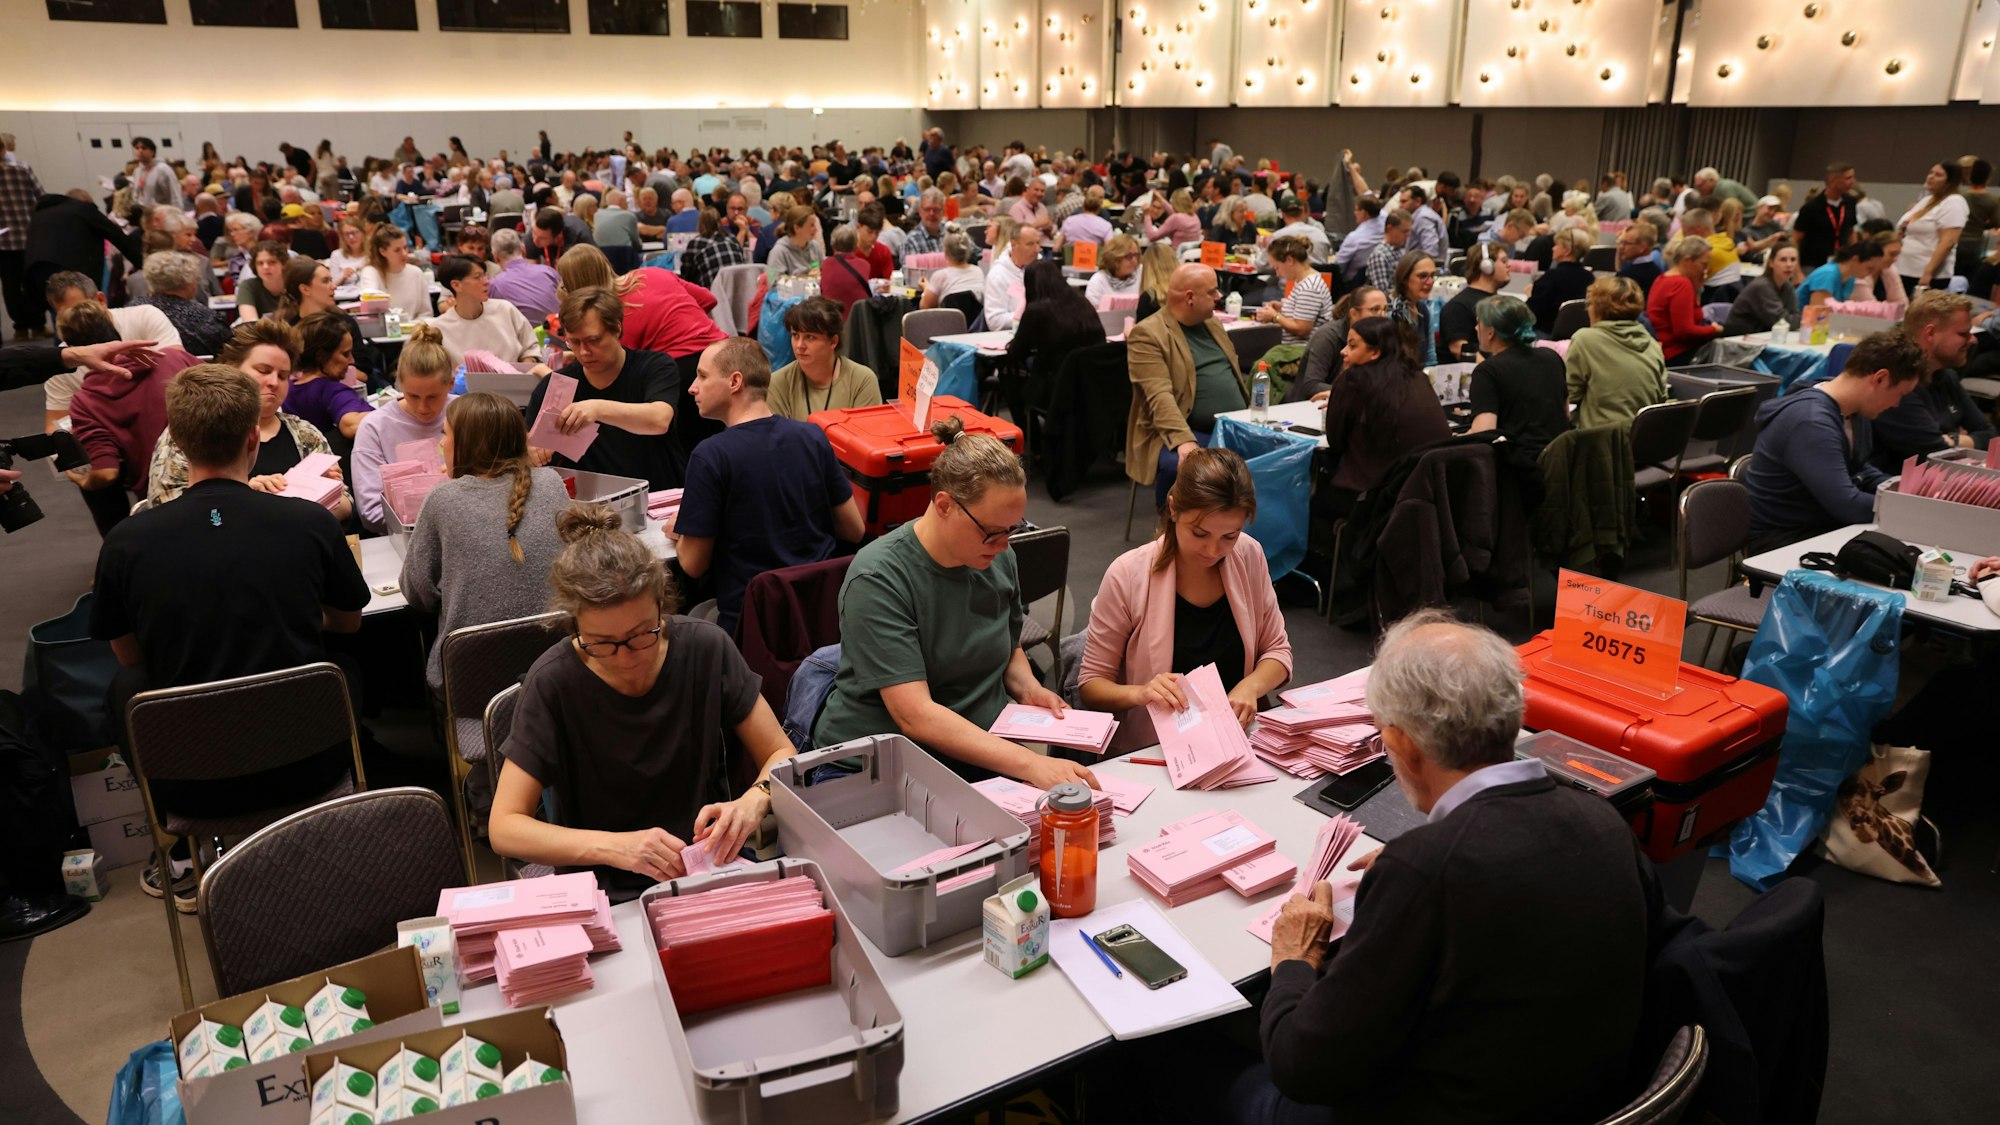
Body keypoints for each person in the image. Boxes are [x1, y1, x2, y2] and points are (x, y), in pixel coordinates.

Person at [1249, 610, 1655, 1124]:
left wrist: (1293, 959)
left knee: (1193, 1070)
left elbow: (1301, 1067)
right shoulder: (1602, 821)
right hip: (1577, 1095)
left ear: (1400, 745)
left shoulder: (1424, 872)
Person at [94, 363, 370, 907]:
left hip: (192, 780)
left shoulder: (126, 543)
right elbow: (349, 622)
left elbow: (128, 652)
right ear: (252, 438)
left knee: (126, 689)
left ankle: (179, 853)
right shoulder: (308, 522)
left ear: (175, 441)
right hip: (311, 759)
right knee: (348, 666)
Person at [489, 504, 797, 902]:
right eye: (601, 643)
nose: (626, 658)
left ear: (662, 606)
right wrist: (617, 848)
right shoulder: (553, 681)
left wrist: (754, 799)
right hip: (607, 892)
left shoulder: (705, 647)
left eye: (641, 635)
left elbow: (779, 750)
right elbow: (504, 826)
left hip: (704, 873)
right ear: (574, 624)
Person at [812, 417, 1096, 789]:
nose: (1004, 545)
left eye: (1014, 528)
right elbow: (916, 716)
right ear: (944, 505)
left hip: (976, 752)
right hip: (886, 767)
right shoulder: (878, 578)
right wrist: (1029, 763)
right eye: (993, 532)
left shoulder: (996, 555)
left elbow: (1006, 644)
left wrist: (1027, 687)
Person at [1080, 447, 1292, 754]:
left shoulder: (1248, 554)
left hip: (1238, 739)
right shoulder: (1128, 574)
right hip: (1157, 750)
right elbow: (1091, 684)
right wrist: (1142, 693)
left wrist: (1251, 686)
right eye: (1199, 533)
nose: (1213, 550)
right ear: (1174, 508)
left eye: (1229, 536)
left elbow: (1278, 652)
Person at [672, 339, 864, 633]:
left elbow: (693, 564)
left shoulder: (710, 456)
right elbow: (854, 529)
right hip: (822, 615)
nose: (692, 387)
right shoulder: (812, 436)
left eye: (703, 375)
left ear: (735, 381)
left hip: (753, 625)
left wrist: (685, 530)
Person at [399, 392, 569, 694]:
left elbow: (418, 592)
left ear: (468, 442)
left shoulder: (442, 499)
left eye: (445, 434)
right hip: (558, 672)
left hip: (471, 683)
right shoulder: (552, 483)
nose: (442, 443)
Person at [146, 321, 350, 520]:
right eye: (263, 371)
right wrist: (244, 497)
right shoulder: (196, 427)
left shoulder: (305, 434)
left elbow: (345, 505)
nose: (273, 382)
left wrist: (327, 493)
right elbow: (168, 508)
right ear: (231, 369)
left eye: (283, 376)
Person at [1745, 330, 1926, 553]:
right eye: (1899, 394)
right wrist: (1913, 508)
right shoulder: (1810, 422)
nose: (1897, 404)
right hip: (1784, 542)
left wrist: (1899, 488)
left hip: (1820, 528)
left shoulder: (1850, 410)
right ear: (1880, 378)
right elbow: (1847, 505)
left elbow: (1857, 467)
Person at [55, 302, 200, 533]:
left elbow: (106, 473)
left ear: (71, 348)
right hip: (227, 479)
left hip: (165, 503)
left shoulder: (87, 401)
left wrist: (83, 480)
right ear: (115, 330)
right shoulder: (173, 358)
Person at [528, 286, 681, 488]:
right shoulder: (557, 386)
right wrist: (532, 450)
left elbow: (659, 420)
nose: (583, 352)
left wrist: (597, 409)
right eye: (573, 342)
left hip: (658, 498)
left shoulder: (655, 366)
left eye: (594, 340)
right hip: (591, 508)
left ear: (617, 329)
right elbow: (527, 447)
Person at [1128, 264, 1248, 504]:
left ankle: (1248, 526)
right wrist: (1184, 441)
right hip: (1181, 428)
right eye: (1212, 292)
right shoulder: (1148, 334)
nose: (1219, 297)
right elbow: (1159, 396)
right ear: (1190, 298)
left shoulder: (1211, 322)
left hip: (1234, 425)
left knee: (1282, 451)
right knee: (1182, 467)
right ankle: (1173, 529)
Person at [1322, 316, 1451, 514]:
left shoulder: (1352, 381)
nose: (1343, 351)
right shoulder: (1418, 376)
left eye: (1352, 346)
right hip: (1429, 493)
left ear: (1374, 352)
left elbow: (1335, 441)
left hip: (1374, 496)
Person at [1867, 292, 1993, 472]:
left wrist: (1954, 440)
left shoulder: (1946, 376)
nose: (1972, 340)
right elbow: (1934, 453)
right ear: (1931, 333)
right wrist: (1962, 441)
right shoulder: (1898, 384)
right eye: (1963, 334)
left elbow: (1990, 434)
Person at [351, 322, 453, 532]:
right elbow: (371, 512)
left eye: (433, 397)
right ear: (399, 383)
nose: (423, 407)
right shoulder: (375, 427)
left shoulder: (465, 414)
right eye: (413, 395)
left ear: (450, 384)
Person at [554, 244, 726, 365]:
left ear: (576, 287)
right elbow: (708, 299)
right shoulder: (651, 272)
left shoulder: (609, 315)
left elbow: (614, 365)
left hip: (682, 367)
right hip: (723, 350)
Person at [1465, 298, 1571, 460]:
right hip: (1560, 461)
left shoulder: (1487, 371)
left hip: (1519, 468)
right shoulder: (1552, 357)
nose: (1475, 328)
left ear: (1490, 332)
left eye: (1478, 322)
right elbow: (1565, 415)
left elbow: (1484, 436)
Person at [1566, 277, 1668, 431]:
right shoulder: (1652, 344)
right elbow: (1662, 397)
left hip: (1600, 441)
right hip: (1642, 438)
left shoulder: (1585, 340)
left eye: (1590, 304)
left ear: (1598, 308)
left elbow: (1570, 393)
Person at [767, 295, 884, 420]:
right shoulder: (777, 383)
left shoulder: (862, 381)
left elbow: (865, 437)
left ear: (833, 341)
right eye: (795, 335)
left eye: (810, 337)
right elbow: (778, 437)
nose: (799, 345)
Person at [427, 254, 543, 369]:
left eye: (485, 276)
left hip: (515, 383)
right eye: (478, 277)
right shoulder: (439, 329)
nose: (487, 282)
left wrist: (524, 371)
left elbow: (531, 348)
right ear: (456, 285)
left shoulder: (505, 310)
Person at [1006, 260, 1108, 374]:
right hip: (1090, 378)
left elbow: (1016, 352)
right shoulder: (1082, 302)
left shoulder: (1036, 310)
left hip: (1056, 381)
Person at [1290, 287, 1388, 405]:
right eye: (1375, 309)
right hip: (1312, 407)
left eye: (1385, 309)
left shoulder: (1383, 336)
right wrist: (1350, 394)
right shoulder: (1327, 336)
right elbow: (1311, 385)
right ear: (1354, 314)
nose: (1383, 315)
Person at [288, 312, 374, 442]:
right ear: (321, 355)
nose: (352, 361)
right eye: (345, 354)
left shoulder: (288, 389)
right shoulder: (332, 391)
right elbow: (351, 425)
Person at [125, 252, 228, 358]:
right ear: (187, 281)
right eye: (196, 279)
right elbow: (227, 352)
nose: (197, 283)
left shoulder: (132, 309)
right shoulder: (205, 317)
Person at [1895, 160, 1969, 293]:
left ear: (1950, 181)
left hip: (1924, 274)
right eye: (1931, 173)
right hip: (1904, 268)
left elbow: (1948, 242)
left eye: (1938, 175)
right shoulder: (1927, 200)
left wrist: (1928, 272)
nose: (1931, 177)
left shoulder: (1954, 203)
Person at [1647, 237, 1720, 365]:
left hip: (1661, 350)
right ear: (1687, 261)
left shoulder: (1662, 279)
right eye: (1703, 264)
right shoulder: (1681, 284)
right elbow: (1685, 331)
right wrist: (1714, 330)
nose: (1705, 270)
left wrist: (1697, 288)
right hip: (1676, 354)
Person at [1254, 235, 1333, 344]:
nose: (1277, 273)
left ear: (1289, 260)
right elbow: (1303, 312)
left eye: (1277, 267)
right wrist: (1282, 308)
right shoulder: (1303, 281)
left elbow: (1302, 329)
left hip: (1299, 351)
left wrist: (1274, 316)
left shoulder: (1310, 287)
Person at [1438, 244, 1508, 362]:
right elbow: (1459, 348)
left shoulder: (1497, 301)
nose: (1509, 265)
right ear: (1486, 266)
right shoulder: (1459, 306)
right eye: (1504, 261)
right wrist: (1493, 373)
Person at [1525, 227, 1594, 336]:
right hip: (1576, 335)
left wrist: (1530, 296)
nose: (1553, 248)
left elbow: (1531, 313)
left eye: (1557, 245)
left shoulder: (1552, 277)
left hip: (1545, 334)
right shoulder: (1590, 277)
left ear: (1567, 250)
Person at [486, 228, 561, 327]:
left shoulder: (494, 285)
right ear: (523, 250)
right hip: (563, 335)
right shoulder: (548, 272)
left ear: (495, 257)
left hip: (527, 340)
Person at [1724, 245, 1803, 336]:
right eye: (1783, 260)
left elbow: (1795, 315)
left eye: (1793, 260)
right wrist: (1801, 320)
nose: (1789, 264)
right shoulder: (1761, 286)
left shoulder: (1787, 286)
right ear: (1771, 263)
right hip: (1739, 341)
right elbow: (1780, 322)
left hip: (1764, 337)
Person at [1793, 162, 1859, 269]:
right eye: (1848, 178)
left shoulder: (1850, 202)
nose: (1853, 182)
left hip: (1840, 262)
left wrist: (1855, 255)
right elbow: (1795, 239)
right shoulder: (1811, 207)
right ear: (1832, 181)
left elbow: (1851, 232)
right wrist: (1796, 271)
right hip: (1812, 264)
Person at [356, 224, 429, 321]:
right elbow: (372, 306)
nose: (404, 253)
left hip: (414, 331)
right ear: (382, 251)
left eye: (405, 247)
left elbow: (426, 313)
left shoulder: (416, 273)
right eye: (397, 250)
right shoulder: (371, 272)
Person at [980, 221, 1042, 332]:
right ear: (1014, 245)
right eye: (1030, 244)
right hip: (1010, 338)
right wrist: (1030, 315)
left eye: (1038, 243)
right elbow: (995, 321)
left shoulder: (1041, 268)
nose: (1037, 249)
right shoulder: (998, 275)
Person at [1387, 251, 1441, 365]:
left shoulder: (1424, 311)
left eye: (1432, 275)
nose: (1430, 282)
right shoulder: (1388, 311)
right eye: (1423, 276)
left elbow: (1430, 358)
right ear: (1404, 279)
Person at [679, 207, 748, 291]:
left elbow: (686, 276)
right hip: (739, 291)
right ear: (719, 221)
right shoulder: (732, 238)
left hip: (712, 295)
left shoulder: (696, 243)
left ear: (700, 223)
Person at [1799, 239, 1884, 307]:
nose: (1871, 273)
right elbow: (1818, 311)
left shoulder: (1850, 278)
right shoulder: (1827, 274)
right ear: (1855, 259)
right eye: (1869, 268)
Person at [918, 231, 986, 312]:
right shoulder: (977, 271)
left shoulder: (941, 276)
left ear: (945, 251)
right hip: (974, 323)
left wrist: (926, 288)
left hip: (947, 323)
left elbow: (925, 307)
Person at [1082, 233, 1142, 308]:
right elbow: (1091, 315)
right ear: (1114, 258)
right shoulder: (1098, 281)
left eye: (1136, 255)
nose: (1134, 261)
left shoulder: (1141, 273)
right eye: (1129, 256)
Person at [765, 206, 825, 278]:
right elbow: (772, 282)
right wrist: (804, 278)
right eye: (811, 225)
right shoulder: (778, 252)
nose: (815, 229)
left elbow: (823, 273)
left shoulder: (815, 247)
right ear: (797, 228)